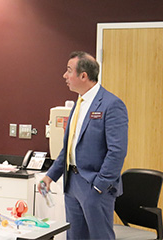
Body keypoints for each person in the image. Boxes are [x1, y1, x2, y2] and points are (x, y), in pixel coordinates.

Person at [41, 51, 128, 239]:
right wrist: (50, 176)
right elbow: (70, 147)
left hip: (95, 186)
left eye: (69, 71)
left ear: (83, 76)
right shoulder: (79, 103)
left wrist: (100, 185)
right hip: (72, 184)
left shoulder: (111, 105)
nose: (65, 76)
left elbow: (117, 151)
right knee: (74, 237)